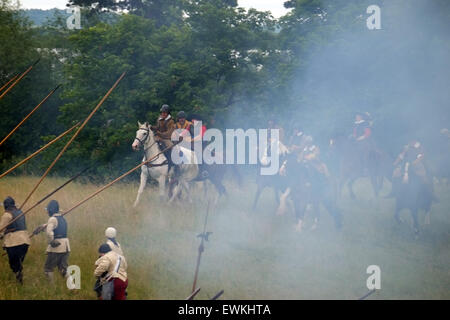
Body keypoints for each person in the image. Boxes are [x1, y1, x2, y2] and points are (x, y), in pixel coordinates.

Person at [0, 196, 31, 284]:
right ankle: (19, 275)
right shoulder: (21, 212)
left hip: (14, 241)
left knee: (13, 263)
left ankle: (18, 277)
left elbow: (1, 228)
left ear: (5, 206)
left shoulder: (7, 215)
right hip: (25, 240)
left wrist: (1, 235)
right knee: (18, 261)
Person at [44, 200, 70, 282]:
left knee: (48, 268)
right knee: (63, 269)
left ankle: (52, 288)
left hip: (57, 247)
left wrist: (51, 242)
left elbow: (49, 233)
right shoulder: (62, 218)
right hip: (65, 246)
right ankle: (73, 287)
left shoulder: (52, 219)